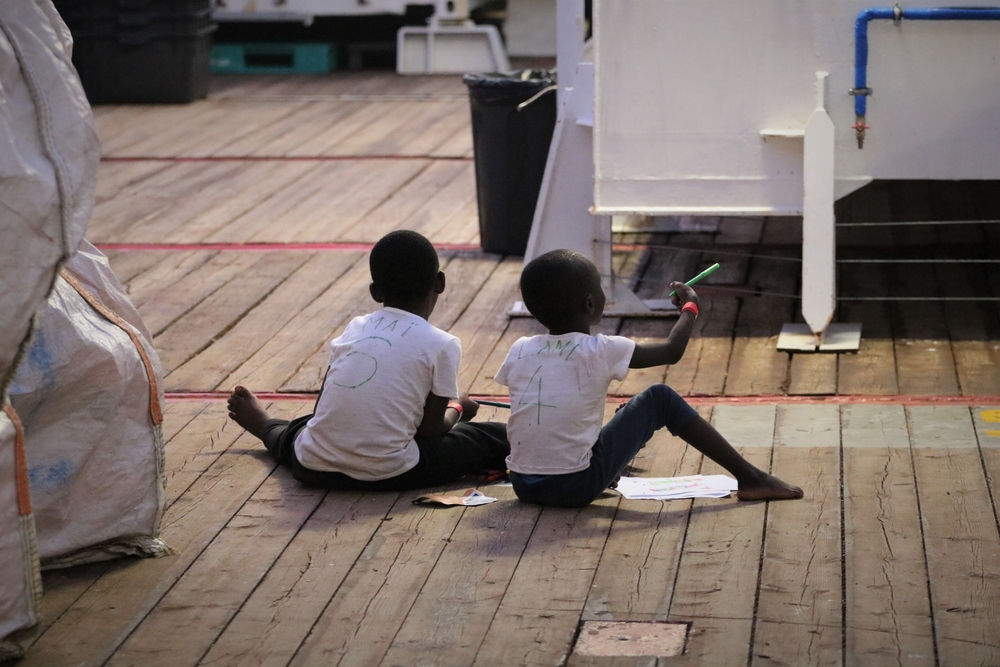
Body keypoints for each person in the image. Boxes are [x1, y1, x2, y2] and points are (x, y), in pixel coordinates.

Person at [494, 249, 803, 508]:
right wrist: (690, 308)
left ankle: (604, 466)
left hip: (524, 484)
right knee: (659, 398)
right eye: (600, 287)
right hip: (574, 486)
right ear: (590, 303)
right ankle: (751, 478)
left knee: (620, 415)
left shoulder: (520, 349)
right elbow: (671, 351)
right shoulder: (601, 349)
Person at [228, 230, 509, 491]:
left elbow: (323, 403)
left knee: (305, 429)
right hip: (390, 473)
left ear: (375, 292)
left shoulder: (356, 327)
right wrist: (459, 406)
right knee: (488, 437)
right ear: (440, 282)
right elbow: (432, 429)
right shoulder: (443, 343)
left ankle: (267, 427)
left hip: (312, 466)